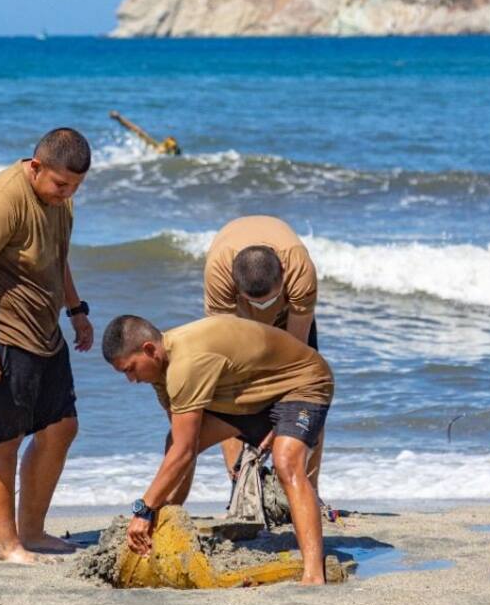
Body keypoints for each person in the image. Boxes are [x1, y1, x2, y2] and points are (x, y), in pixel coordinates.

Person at [102, 314, 333, 585]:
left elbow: (184, 452)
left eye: (130, 369)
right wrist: (155, 510)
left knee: (286, 462)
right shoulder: (160, 371)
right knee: (174, 443)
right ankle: (165, 527)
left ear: (149, 350)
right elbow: (182, 445)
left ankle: (313, 574)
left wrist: (143, 510)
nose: (131, 379)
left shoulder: (185, 365)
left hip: (303, 382)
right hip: (252, 396)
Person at [0, 128, 94, 563]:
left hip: (45, 332)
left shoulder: (58, 200)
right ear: (35, 167)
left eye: (74, 186)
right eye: (60, 184)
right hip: (1, 334)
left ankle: (31, 531)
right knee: (1, 441)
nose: (66, 193)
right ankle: (5, 543)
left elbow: (56, 254)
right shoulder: (1, 199)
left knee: (61, 427)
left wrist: (76, 309)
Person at [202, 215, 323, 485]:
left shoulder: (298, 269)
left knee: (311, 395)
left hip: (287, 317)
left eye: (270, 299)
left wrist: (280, 419)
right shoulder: (219, 272)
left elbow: (297, 360)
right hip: (237, 319)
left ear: (282, 270)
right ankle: (242, 487)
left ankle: (308, 488)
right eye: (258, 303)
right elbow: (226, 355)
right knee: (229, 398)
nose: (263, 308)